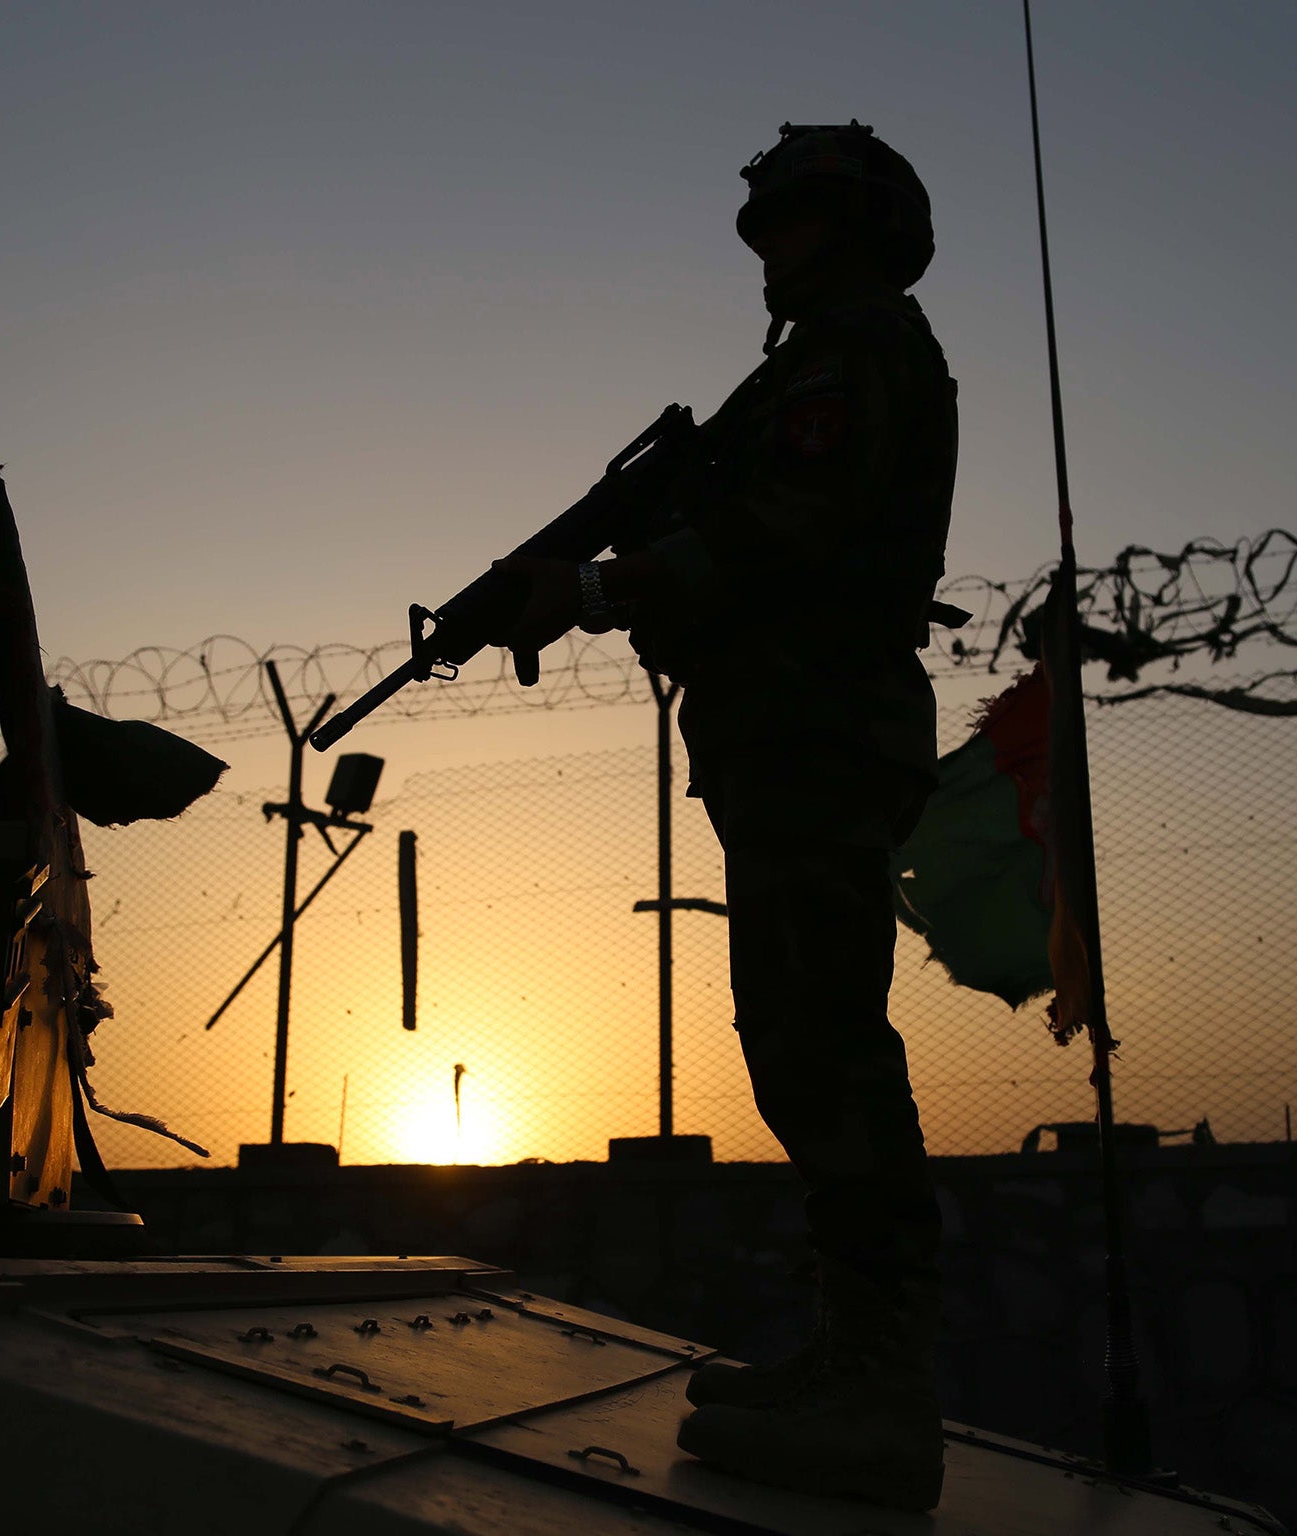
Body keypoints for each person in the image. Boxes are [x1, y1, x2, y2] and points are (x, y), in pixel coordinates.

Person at [493, 120, 957, 1512]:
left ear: (857, 228)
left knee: (824, 1044)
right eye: (762, 228)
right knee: (800, 1041)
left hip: (821, 734)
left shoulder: (855, 357)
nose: (769, 252)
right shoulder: (808, 369)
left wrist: (586, 592)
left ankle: (881, 1388)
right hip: (786, 736)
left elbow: (782, 533)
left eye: (793, 224)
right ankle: (850, 1357)